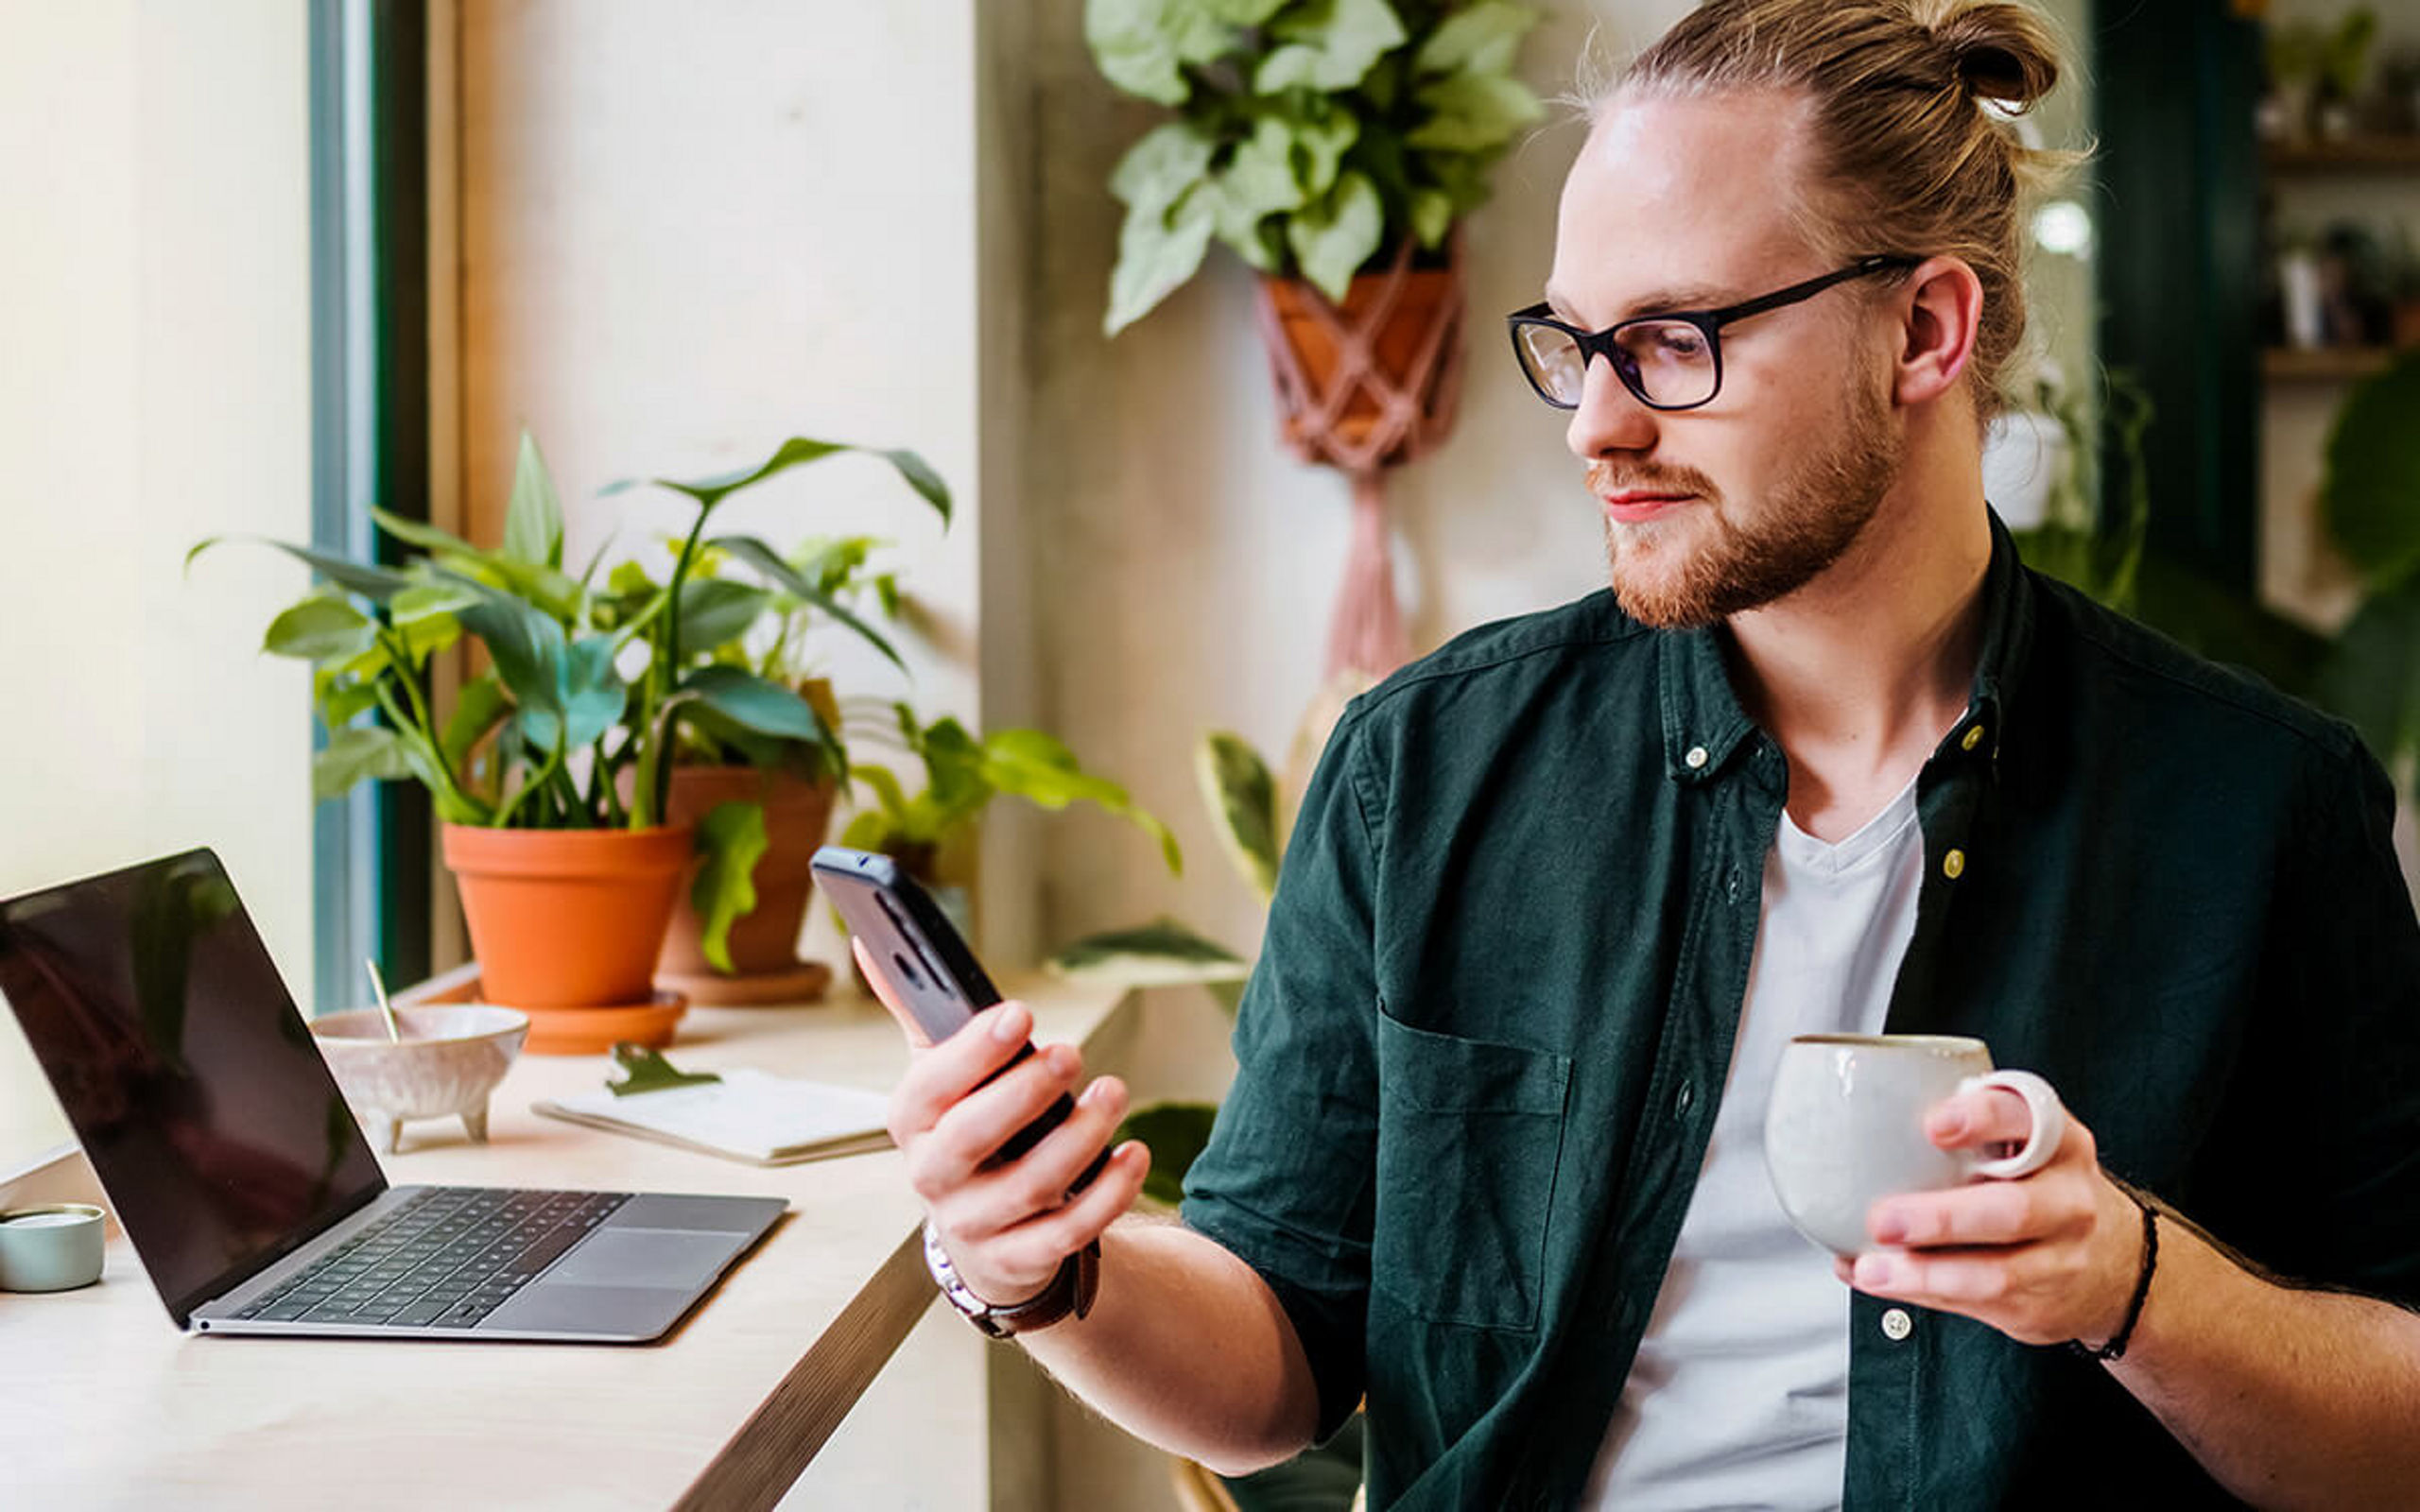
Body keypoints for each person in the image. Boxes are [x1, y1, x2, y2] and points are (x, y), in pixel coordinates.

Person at [865, 0, 2420, 1504]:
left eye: (1675, 341)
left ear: (1925, 331)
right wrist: (1043, 1268)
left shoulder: (2263, 808)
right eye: (1579, 344)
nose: (1594, 425)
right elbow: (1276, 1374)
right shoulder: (1427, 769)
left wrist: (2132, 1282)